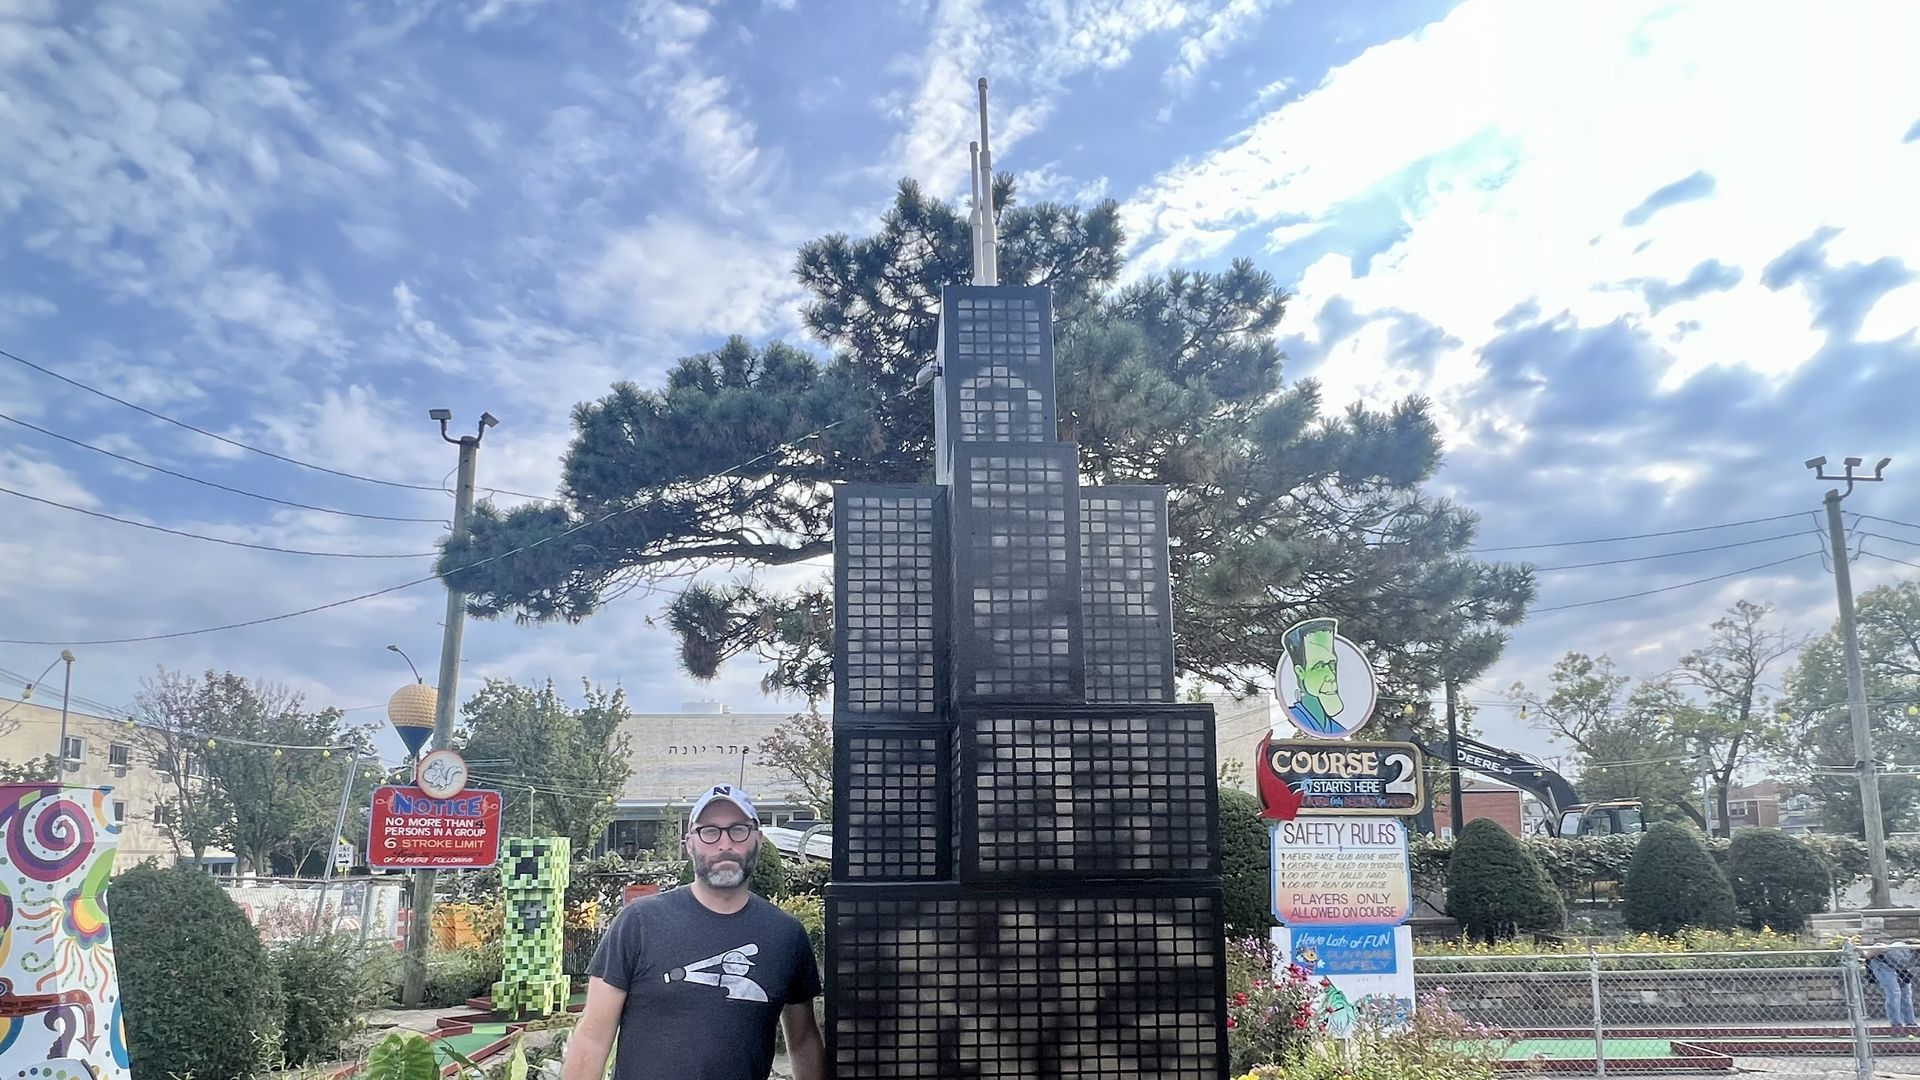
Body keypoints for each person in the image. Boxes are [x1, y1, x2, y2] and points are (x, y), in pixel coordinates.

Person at [563, 784, 825, 1080]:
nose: (724, 844)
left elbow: (803, 1041)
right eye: (709, 831)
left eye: (738, 830)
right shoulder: (638, 923)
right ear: (689, 844)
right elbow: (593, 1038)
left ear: (758, 840)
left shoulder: (786, 936)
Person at [1867, 942, 1919, 1032]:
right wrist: (1867, 955)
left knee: (1906, 994)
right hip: (1882, 963)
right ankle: (1896, 1024)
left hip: (1901, 968)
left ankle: (1911, 1023)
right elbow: (1879, 945)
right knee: (1894, 992)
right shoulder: (1904, 949)